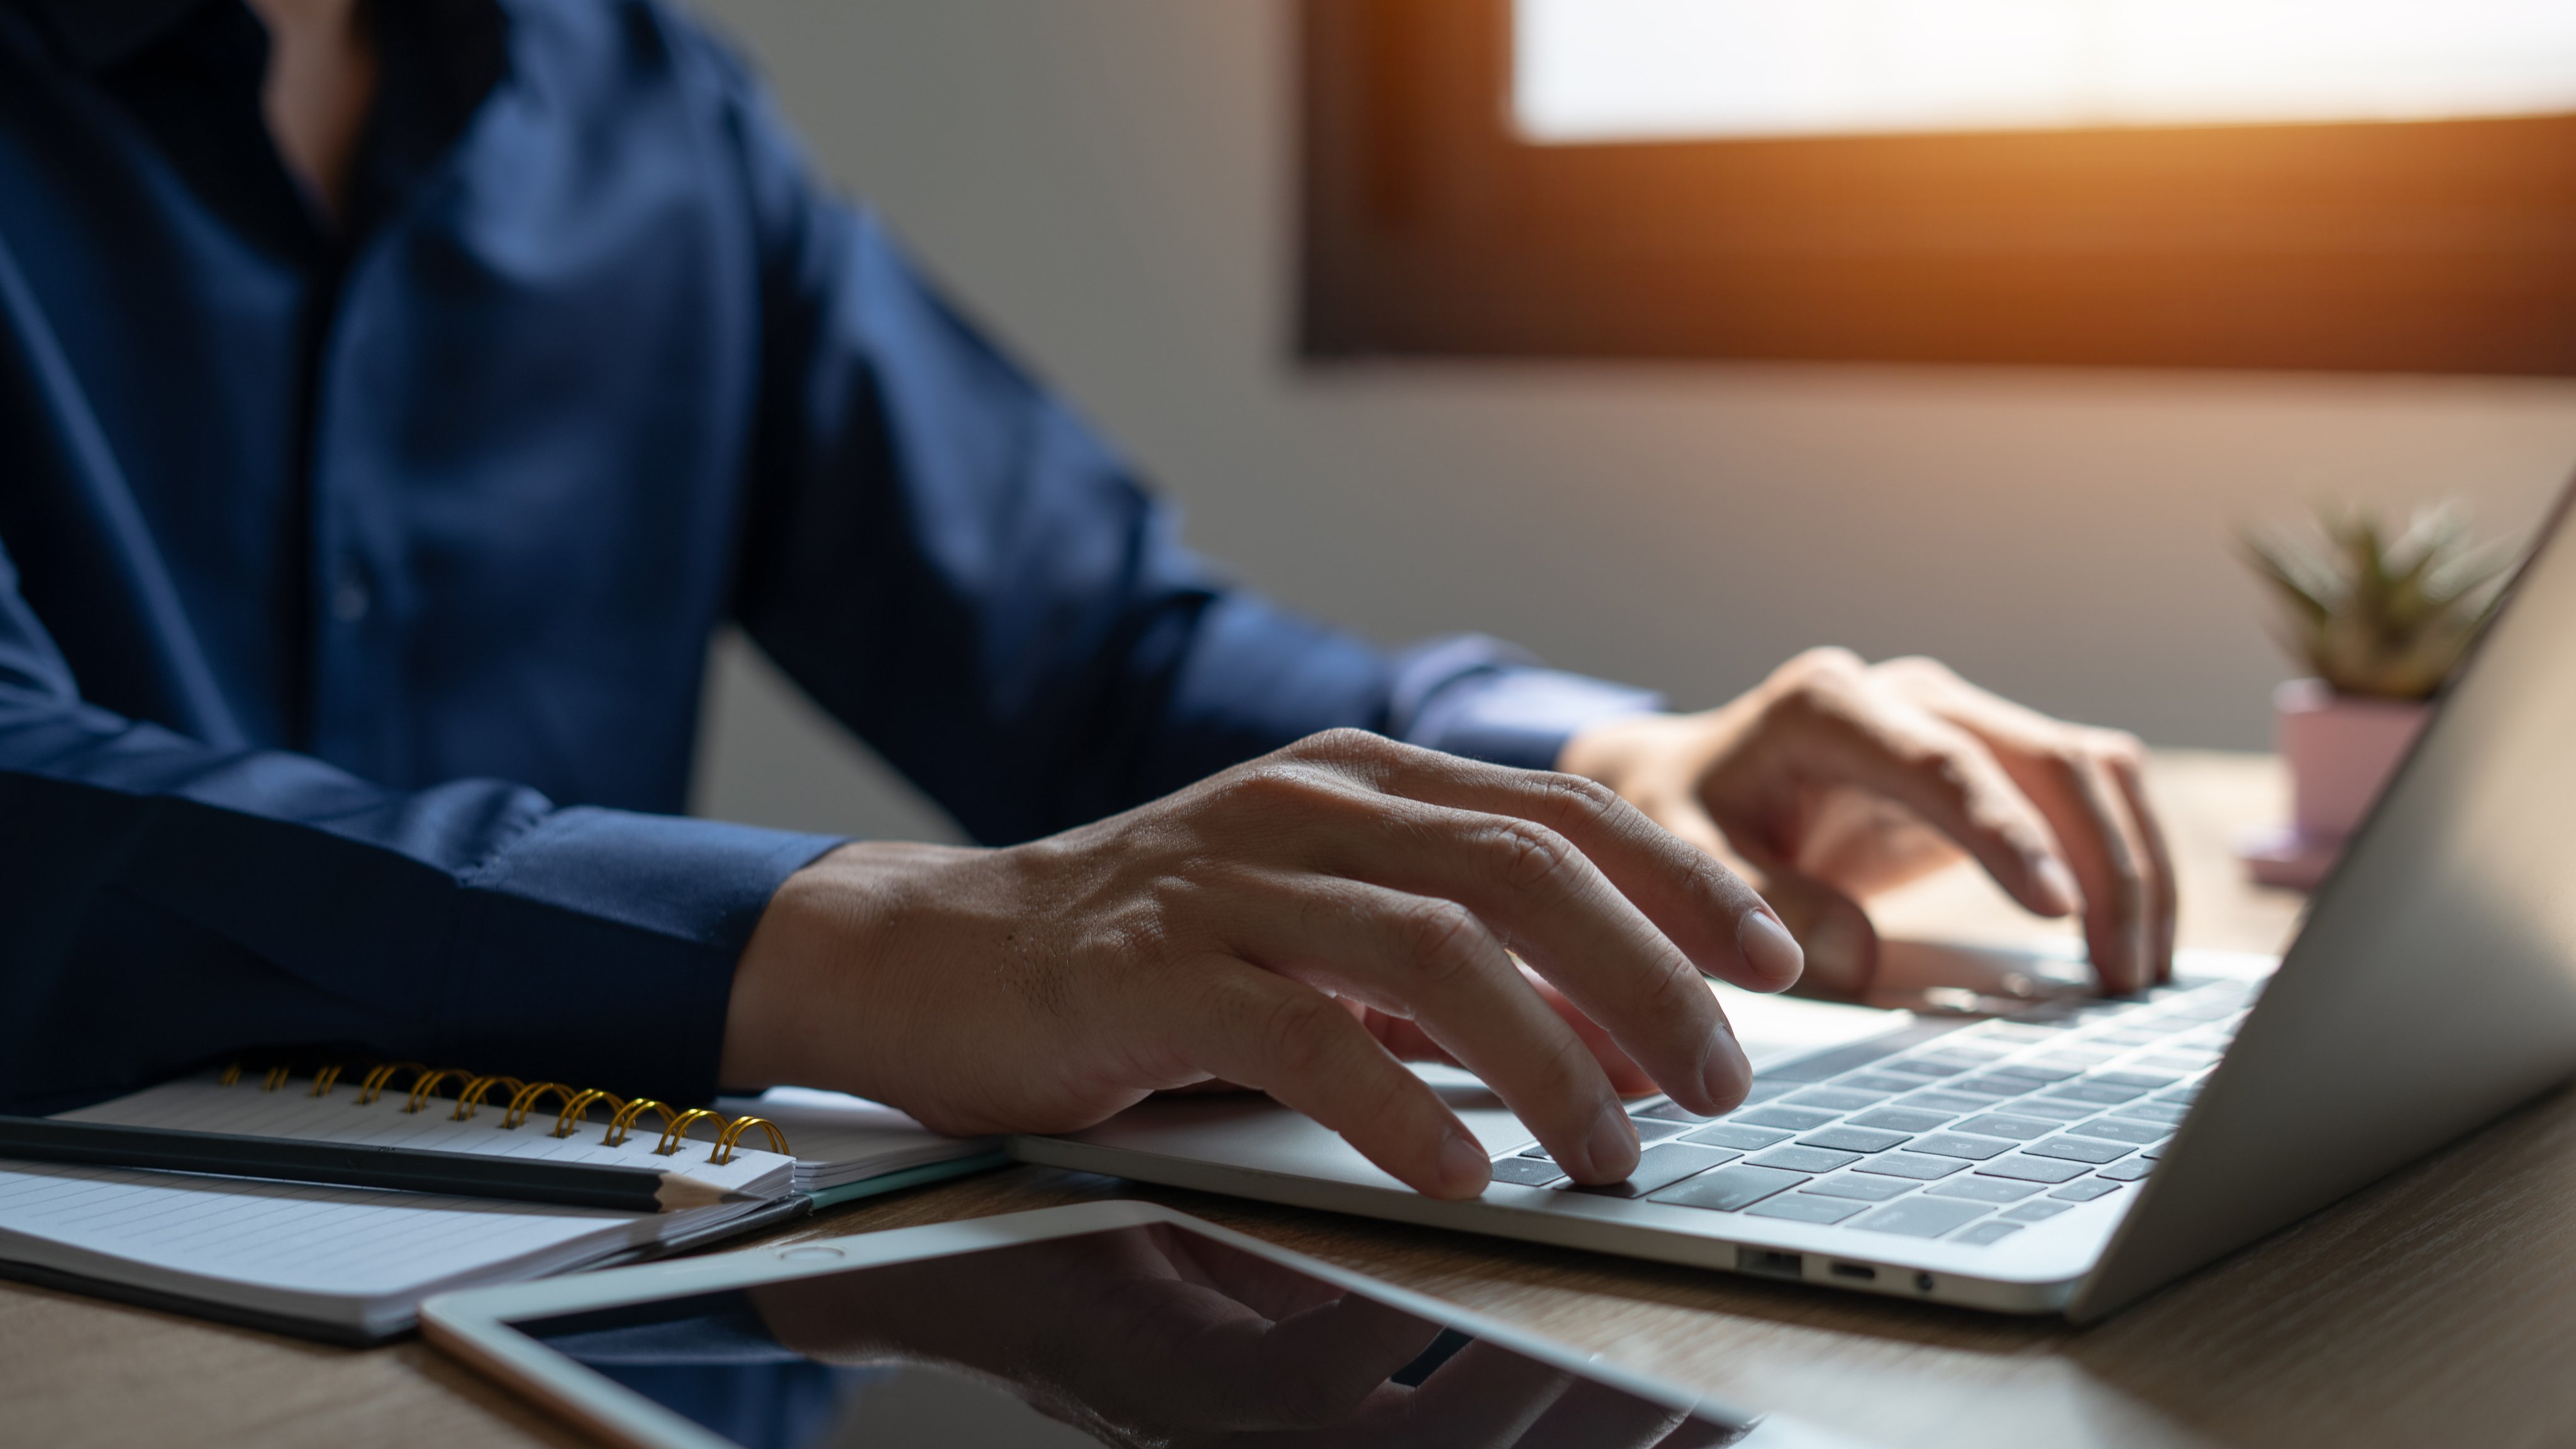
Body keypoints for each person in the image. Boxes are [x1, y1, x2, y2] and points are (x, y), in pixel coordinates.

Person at [0, 0, 2172, 1199]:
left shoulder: (644, 106)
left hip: (607, 1320)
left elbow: (1087, 655)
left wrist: (1613, 770)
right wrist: (882, 938)